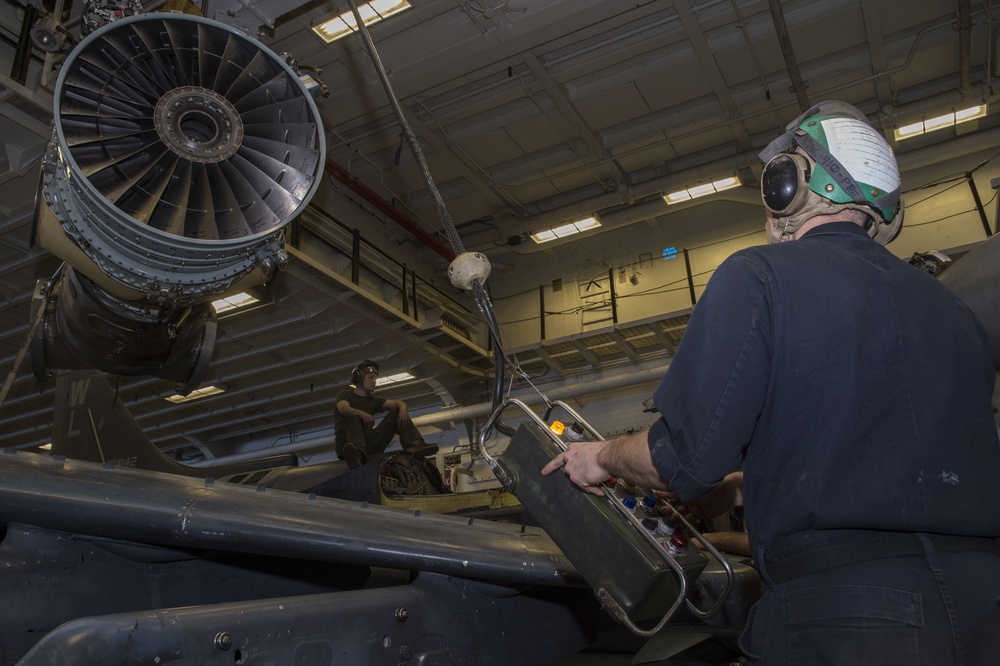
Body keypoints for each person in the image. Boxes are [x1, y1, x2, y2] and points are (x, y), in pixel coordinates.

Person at [542, 101, 1000, 664]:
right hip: (985, 602)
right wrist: (739, 489)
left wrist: (603, 456)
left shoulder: (757, 275)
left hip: (845, 616)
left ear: (787, 186)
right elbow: (881, 451)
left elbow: (681, 461)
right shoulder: (957, 314)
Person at [334, 360, 437, 469]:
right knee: (354, 416)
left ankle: (415, 444)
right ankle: (357, 455)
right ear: (358, 378)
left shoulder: (373, 400)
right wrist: (362, 414)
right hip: (347, 445)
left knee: (396, 411)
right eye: (370, 377)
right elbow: (343, 409)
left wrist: (403, 410)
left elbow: (398, 403)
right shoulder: (345, 394)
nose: (374, 381)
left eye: (375, 378)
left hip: (368, 444)